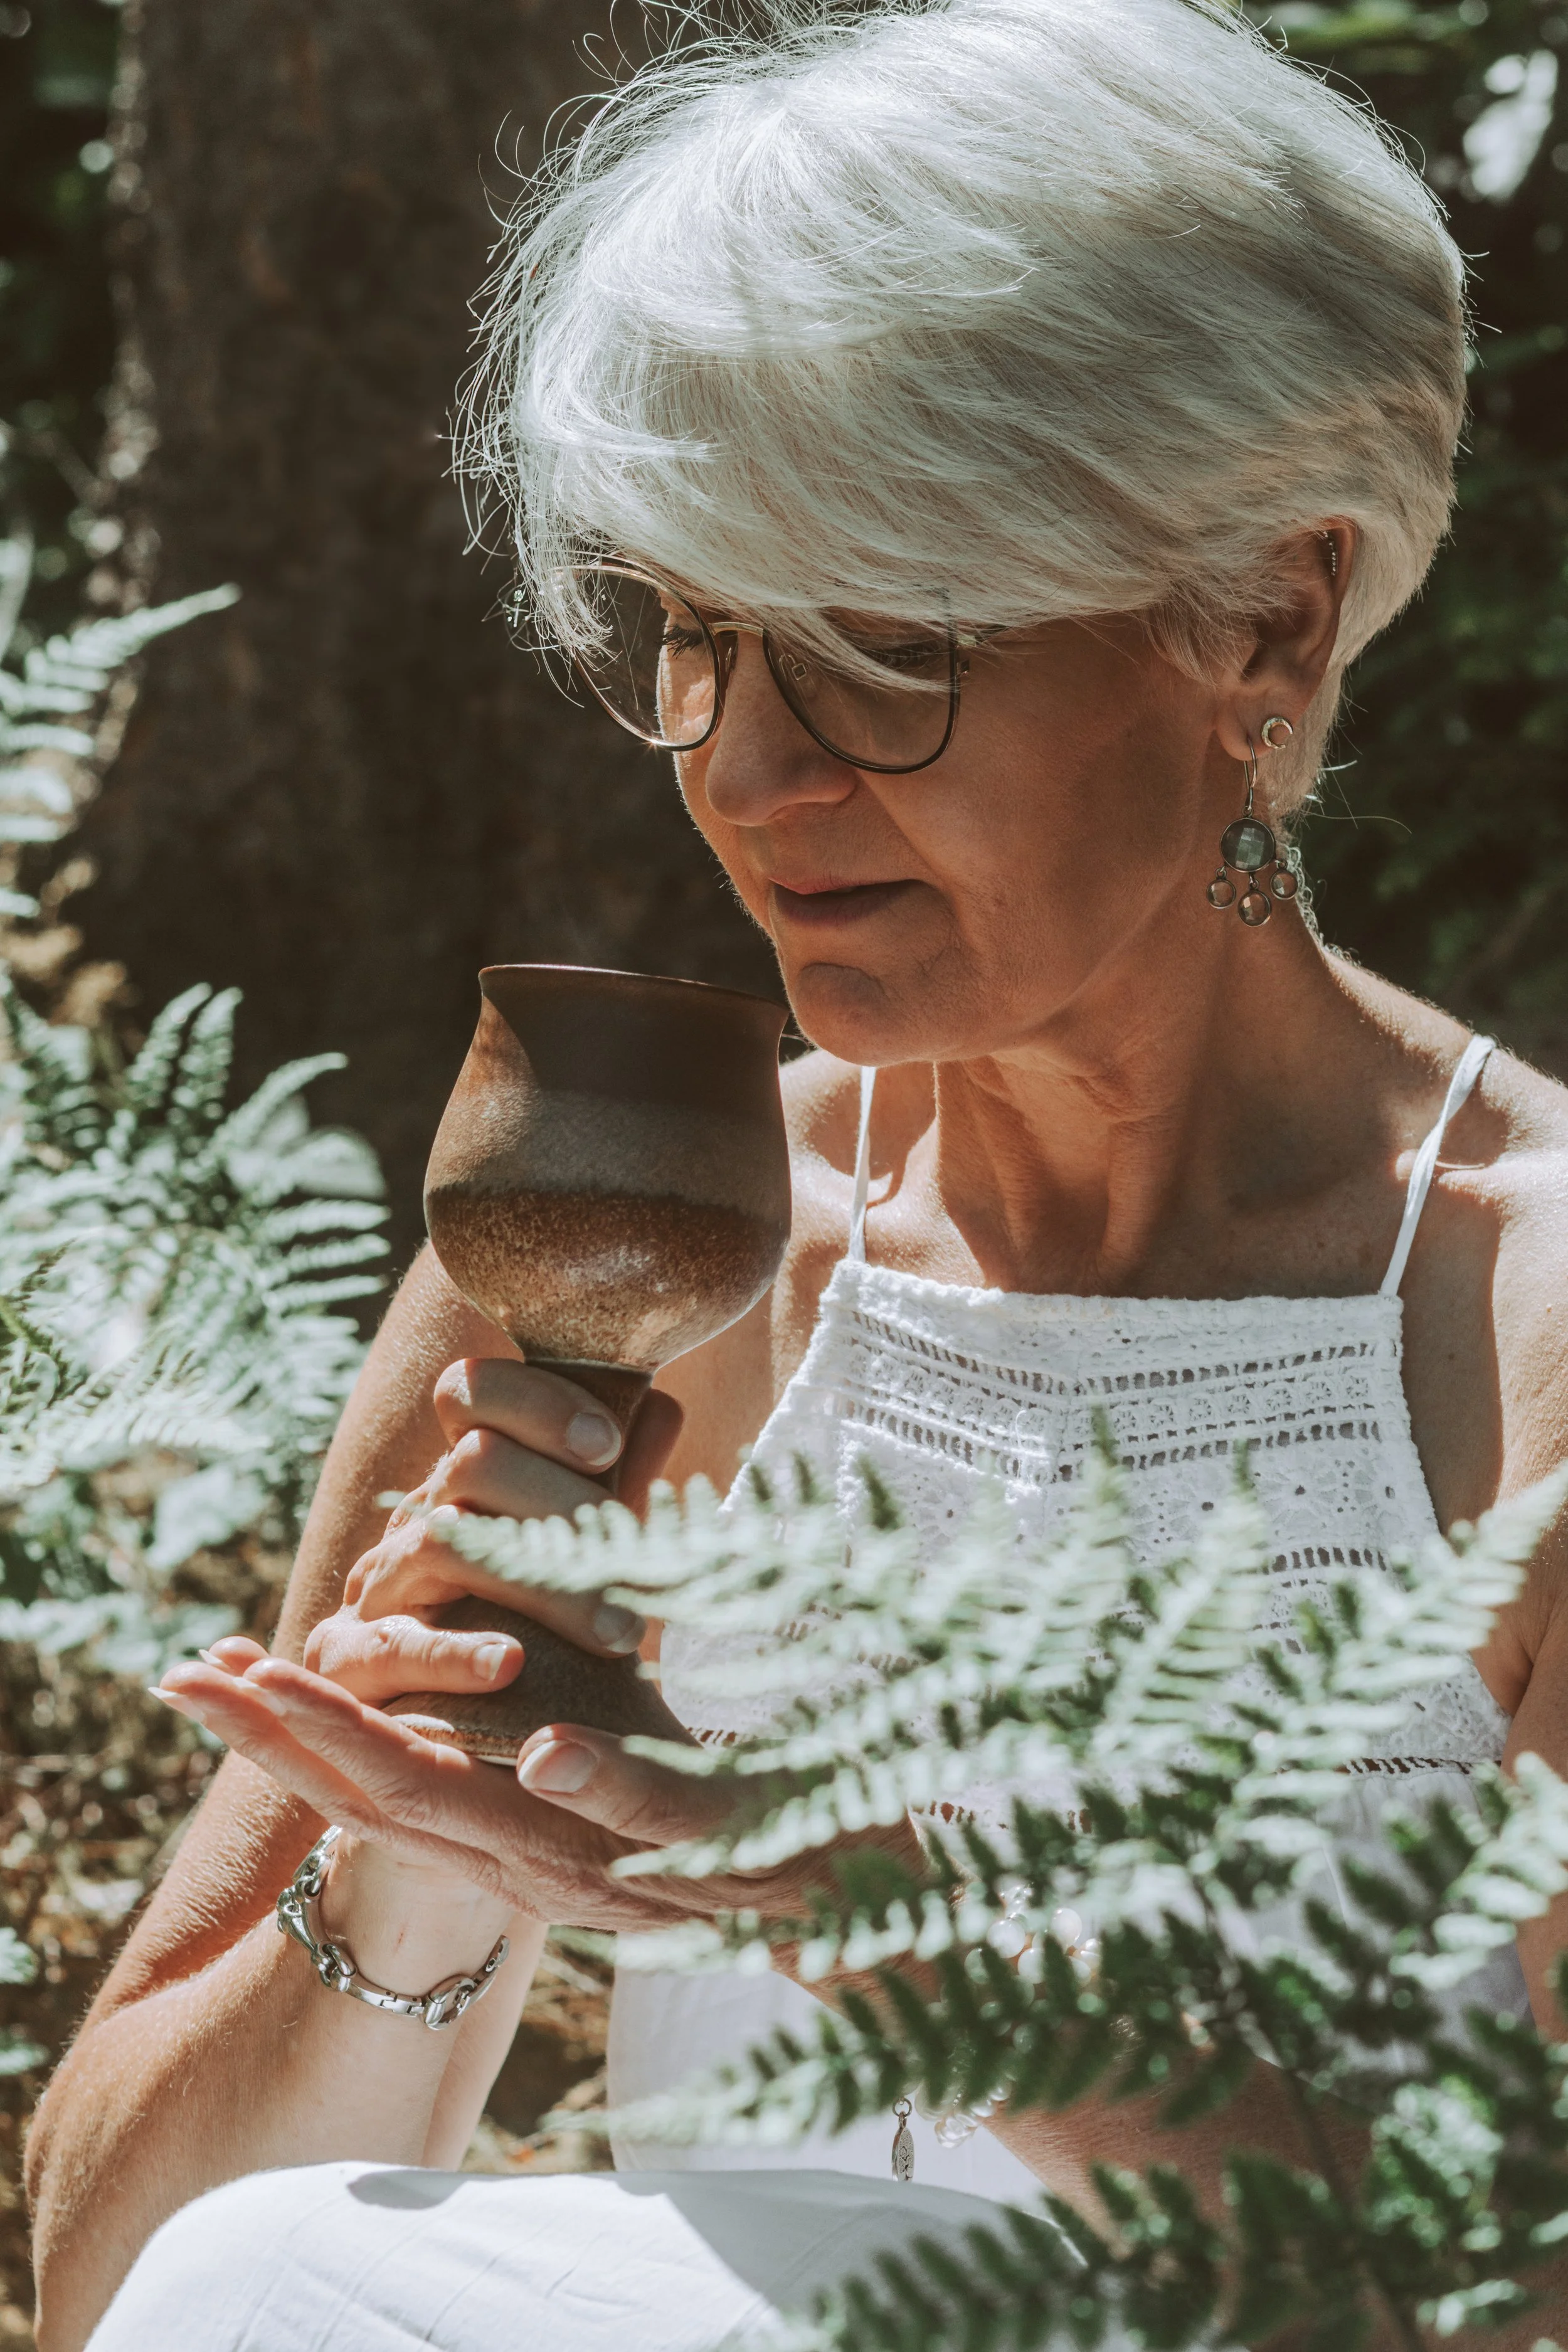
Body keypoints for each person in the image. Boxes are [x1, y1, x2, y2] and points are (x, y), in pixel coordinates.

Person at [28, 0, 1568, 2344]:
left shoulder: (1525, 1320)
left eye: (878, 640)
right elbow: (118, 2278)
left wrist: (859, 1888)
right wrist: (435, 1846)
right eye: (692, 632)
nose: (745, 767)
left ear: (1260, 614)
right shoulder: (629, 1255)